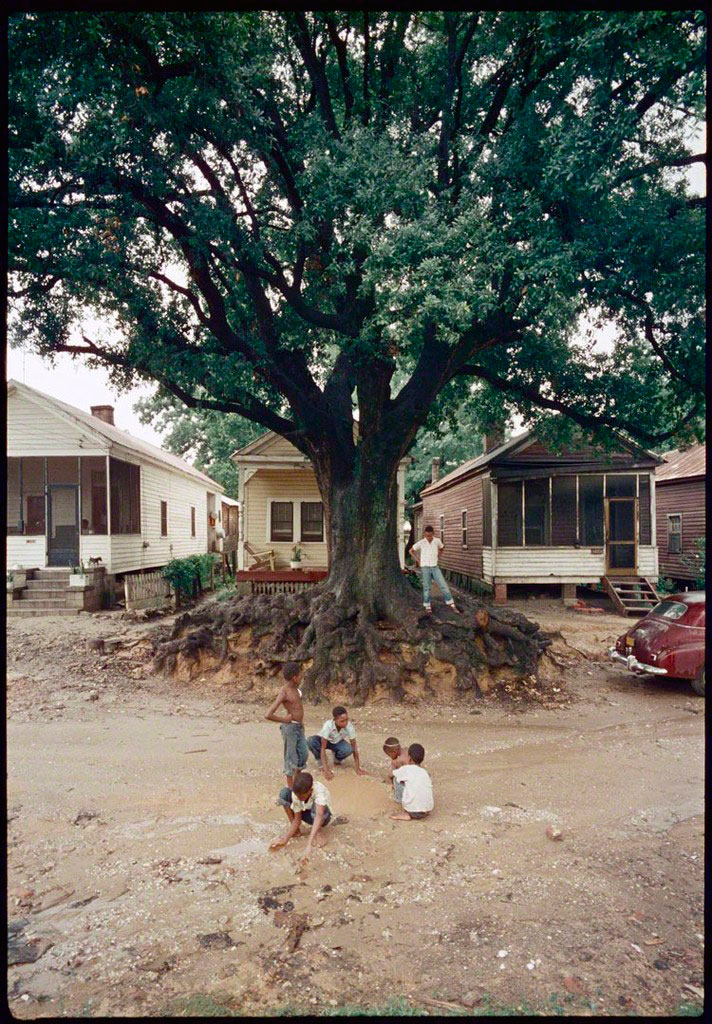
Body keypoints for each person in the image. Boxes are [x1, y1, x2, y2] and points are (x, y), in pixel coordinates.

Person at [271, 771, 332, 868]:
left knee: (316, 809)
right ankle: (296, 831)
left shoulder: (318, 790)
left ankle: (318, 831)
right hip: (309, 813)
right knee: (284, 793)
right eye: (298, 796)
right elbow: (297, 819)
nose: (299, 799)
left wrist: (309, 845)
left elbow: (319, 815)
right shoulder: (297, 794)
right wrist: (285, 839)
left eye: (302, 796)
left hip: (323, 816)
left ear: (310, 790)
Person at [264, 662, 307, 788]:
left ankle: (297, 782)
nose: (301, 677)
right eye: (300, 675)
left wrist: (301, 723)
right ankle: (291, 789)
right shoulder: (284, 692)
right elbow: (268, 714)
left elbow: (297, 708)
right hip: (290, 729)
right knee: (290, 758)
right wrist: (284, 719)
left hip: (299, 727)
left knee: (303, 754)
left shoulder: (297, 691)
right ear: (295, 677)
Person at [307, 706, 367, 781]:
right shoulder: (328, 725)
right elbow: (323, 747)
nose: (345, 723)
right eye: (342, 721)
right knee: (310, 741)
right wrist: (326, 770)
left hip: (337, 742)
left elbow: (354, 747)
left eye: (347, 720)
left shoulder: (349, 726)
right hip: (324, 741)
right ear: (335, 720)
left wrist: (357, 768)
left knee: (348, 749)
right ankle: (320, 760)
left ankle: (337, 759)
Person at [410, 525, 459, 614]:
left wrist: (439, 556)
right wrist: (418, 559)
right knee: (427, 587)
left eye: (430, 535)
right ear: (424, 534)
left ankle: (451, 603)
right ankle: (427, 605)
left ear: (433, 534)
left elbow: (442, 548)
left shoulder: (437, 541)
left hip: (435, 567)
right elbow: (411, 550)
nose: (428, 537)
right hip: (425, 567)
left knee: (443, 584)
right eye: (426, 536)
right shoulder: (421, 542)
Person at [391, 743, 434, 821]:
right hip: (427, 810)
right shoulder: (425, 772)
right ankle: (422, 809)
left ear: (409, 758)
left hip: (412, 811)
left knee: (396, 779)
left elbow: (392, 774)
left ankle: (403, 806)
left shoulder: (406, 769)